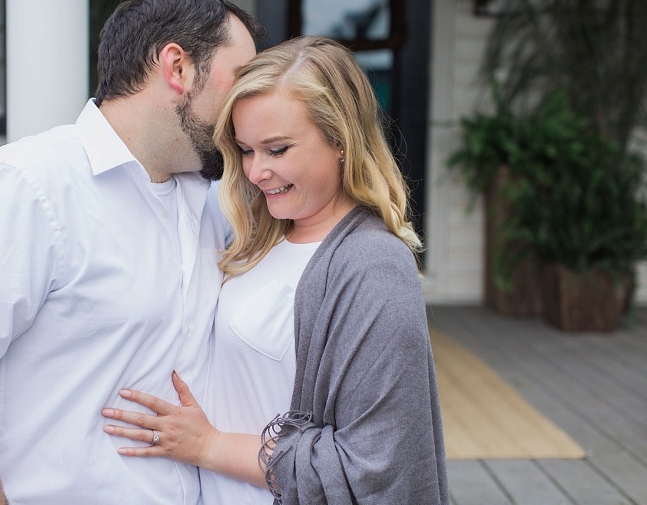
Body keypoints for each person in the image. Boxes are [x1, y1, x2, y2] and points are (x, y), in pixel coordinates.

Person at [0, 0, 260, 504]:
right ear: (177, 67)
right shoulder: (31, 185)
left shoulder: (215, 200)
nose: (250, 103)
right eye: (242, 77)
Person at [101, 36, 449, 504]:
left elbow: (373, 465)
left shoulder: (373, 267)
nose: (256, 172)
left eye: (278, 149)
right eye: (246, 150)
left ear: (341, 140)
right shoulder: (255, 238)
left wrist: (209, 446)